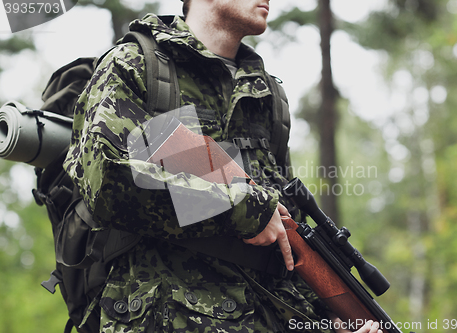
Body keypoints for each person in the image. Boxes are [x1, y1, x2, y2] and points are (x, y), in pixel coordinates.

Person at [63, 0, 383, 332]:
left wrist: (326, 321)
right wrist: (244, 208)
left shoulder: (267, 94)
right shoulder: (137, 64)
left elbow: (282, 239)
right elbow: (107, 181)